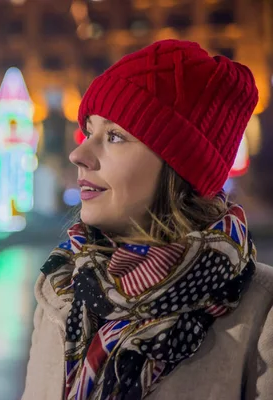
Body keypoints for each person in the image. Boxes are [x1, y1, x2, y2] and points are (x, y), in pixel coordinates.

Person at [22, 39, 273, 400]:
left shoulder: (261, 310)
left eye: (114, 136)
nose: (79, 154)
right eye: (89, 131)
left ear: (178, 166)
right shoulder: (61, 289)